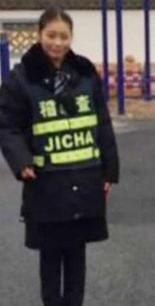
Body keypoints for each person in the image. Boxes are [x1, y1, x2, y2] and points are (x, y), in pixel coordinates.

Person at [0, 7, 119, 306]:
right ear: (39, 35)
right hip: (47, 182)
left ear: (71, 38)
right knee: (51, 256)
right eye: (51, 35)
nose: (57, 43)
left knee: (77, 255)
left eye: (63, 36)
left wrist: (109, 171)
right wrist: (21, 160)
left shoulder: (84, 72)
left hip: (84, 177)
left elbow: (101, 122)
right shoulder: (21, 78)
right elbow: (8, 124)